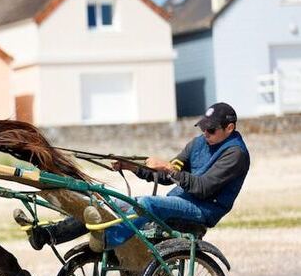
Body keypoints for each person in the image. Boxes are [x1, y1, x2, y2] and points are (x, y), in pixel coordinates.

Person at [21, 102, 250, 251]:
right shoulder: (199, 143)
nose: (205, 133)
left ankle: (109, 240)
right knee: (107, 202)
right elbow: (167, 174)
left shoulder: (235, 154)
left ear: (229, 128)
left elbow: (203, 188)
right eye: (203, 128)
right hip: (178, 200)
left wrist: (168, 168)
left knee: (147, 203)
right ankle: (49, 235)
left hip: (204, 209)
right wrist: (131, 167)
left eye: (211, 130)